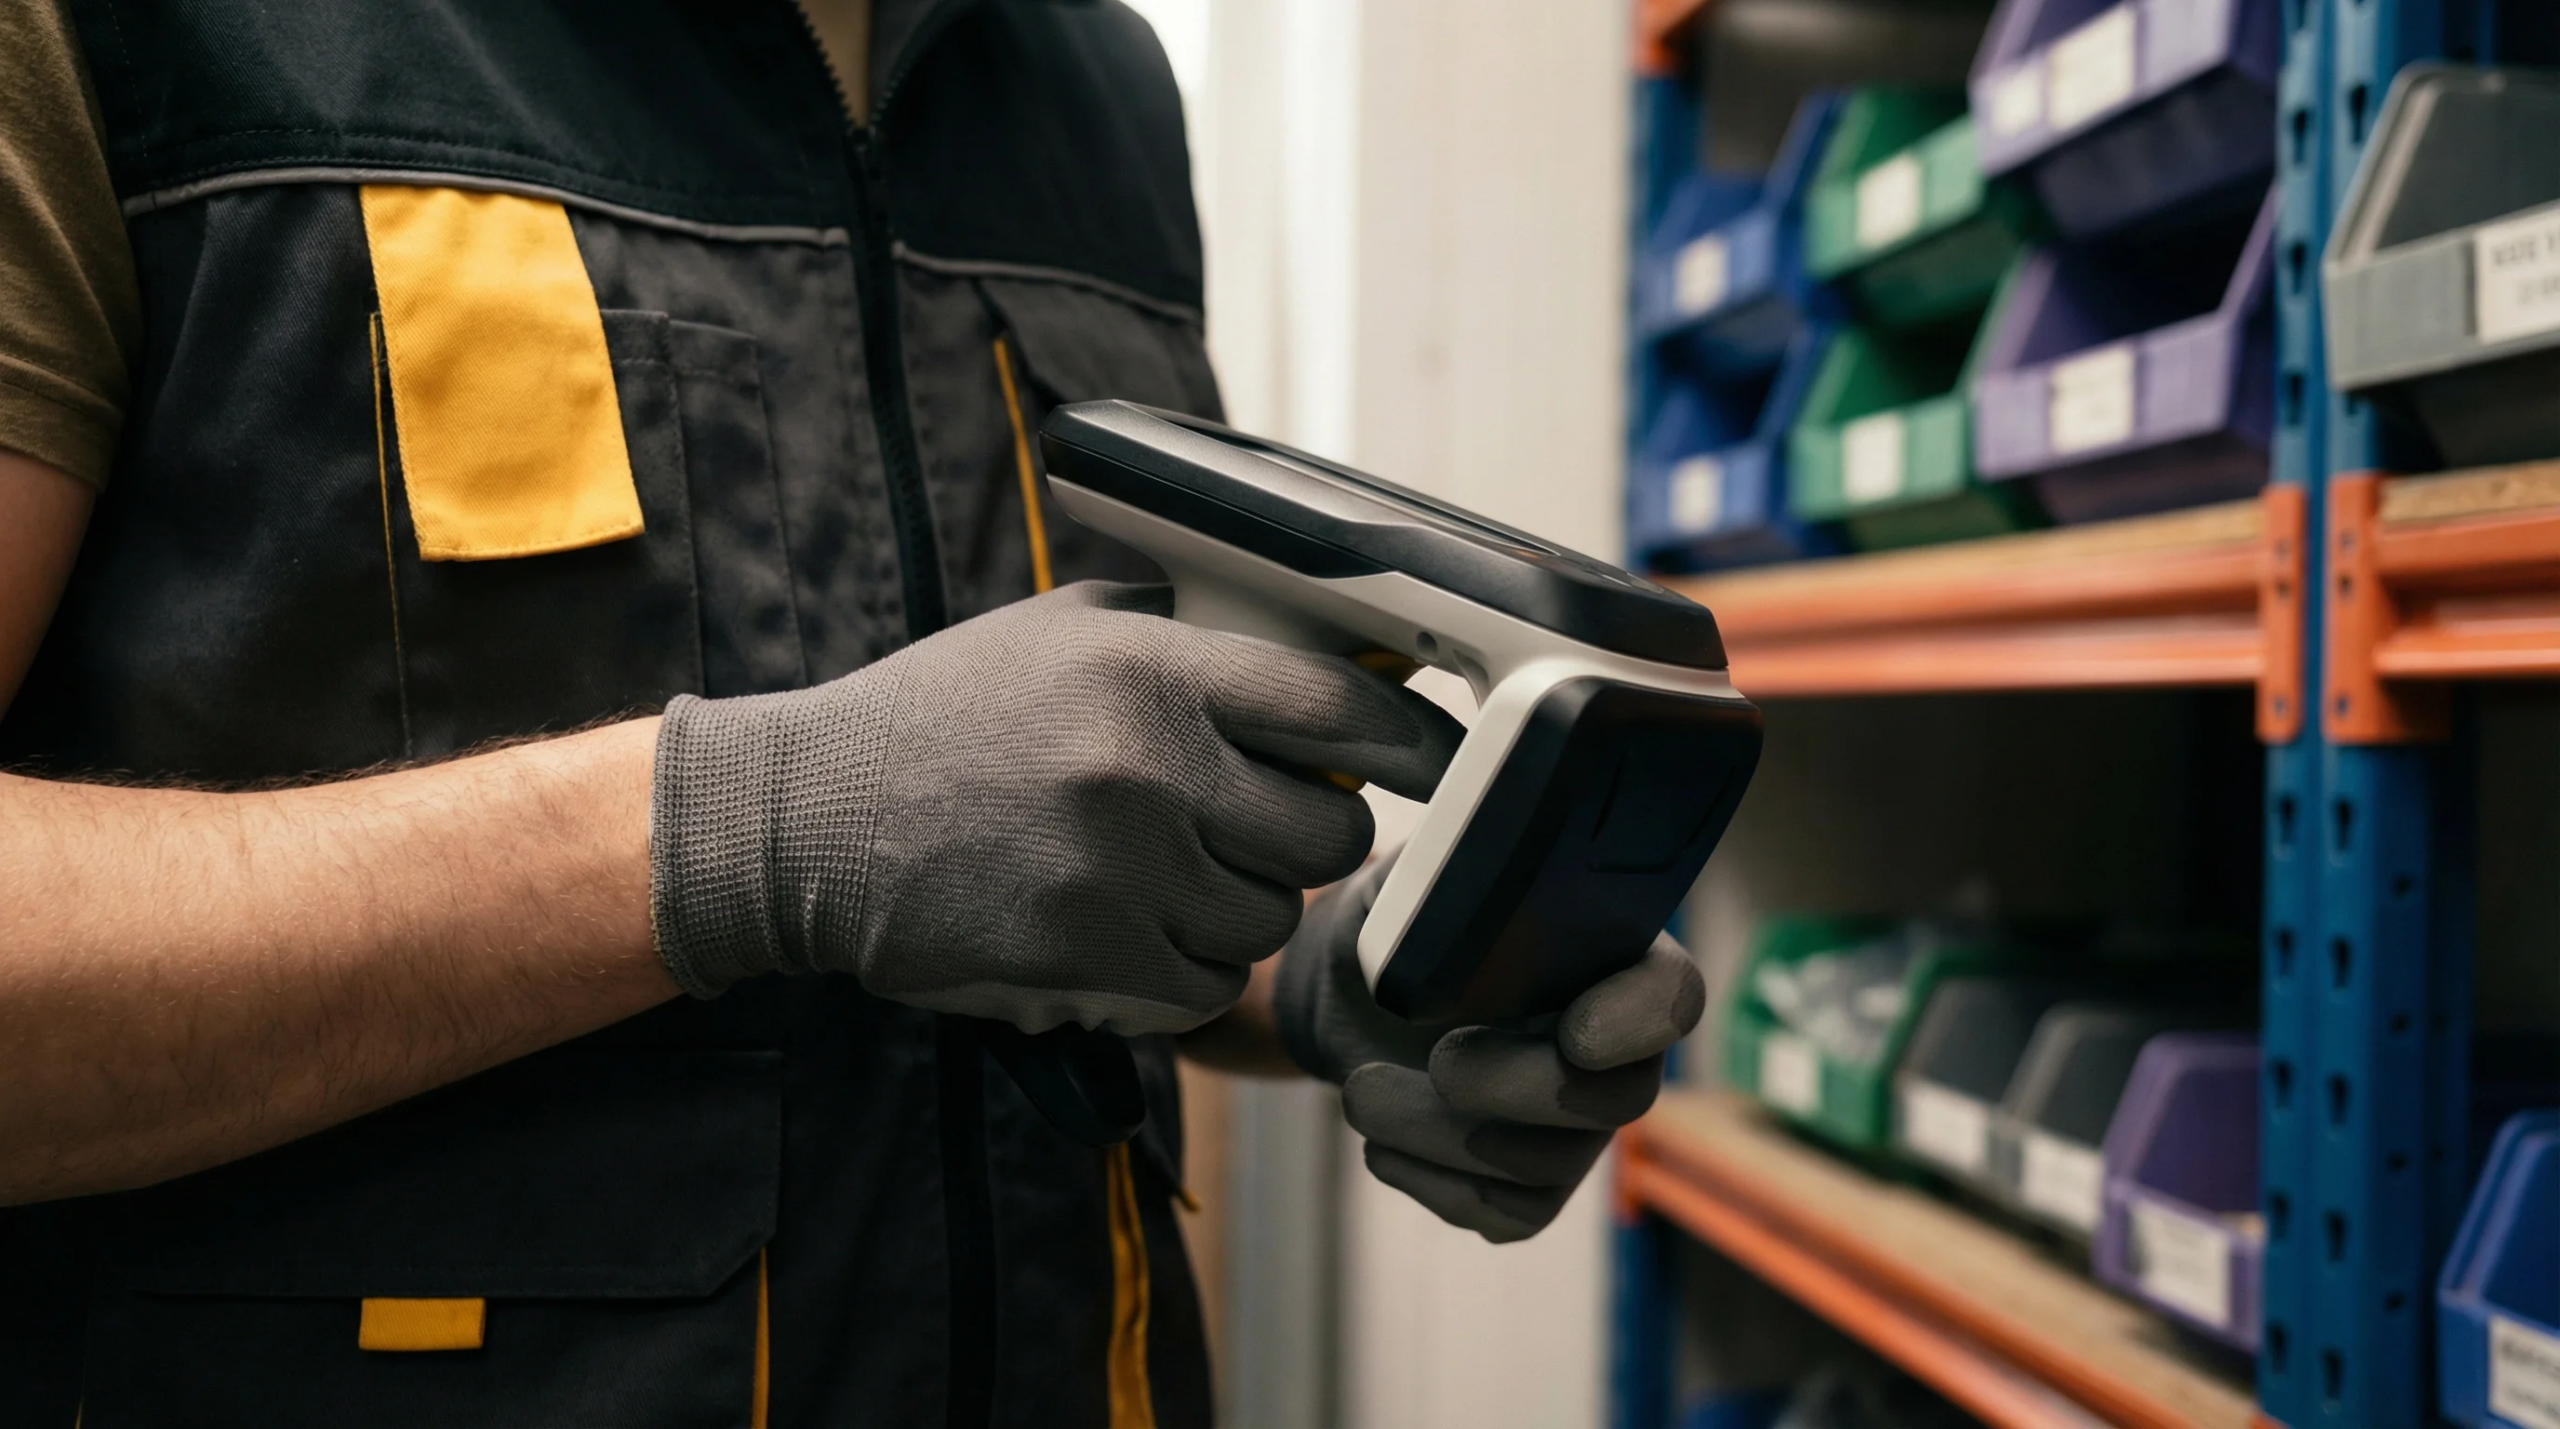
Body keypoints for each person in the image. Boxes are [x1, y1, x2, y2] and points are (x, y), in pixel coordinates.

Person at [0, 0, 1706, 1423]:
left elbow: (1021, 822)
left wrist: (1334, 977)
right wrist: (743, 833)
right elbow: (880, 816)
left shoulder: (1093, 84)